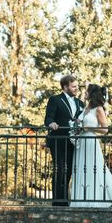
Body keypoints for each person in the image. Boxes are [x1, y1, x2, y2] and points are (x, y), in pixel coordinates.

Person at [70, 84, 112, 207]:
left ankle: (96, 200)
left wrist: (88, 128)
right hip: (81, 144)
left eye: (86, 92)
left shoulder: (98, 109)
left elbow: (105, 129)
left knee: (93, 169)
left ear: (92, 94)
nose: (84, 93)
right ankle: (80, 201)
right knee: (81, 169)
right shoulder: (84, 108)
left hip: (91, 142)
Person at [44, 75, 84, 206]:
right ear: (65, 87)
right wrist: (51, 124)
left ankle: (65, 200)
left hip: (73, 142)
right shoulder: (55, 100)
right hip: (58, 140)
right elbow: (48, 118)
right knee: (60, 168)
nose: (76, 89)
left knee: (70, 169)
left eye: (77, 86)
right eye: (73, 87)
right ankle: (57, 201)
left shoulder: (80, 103)